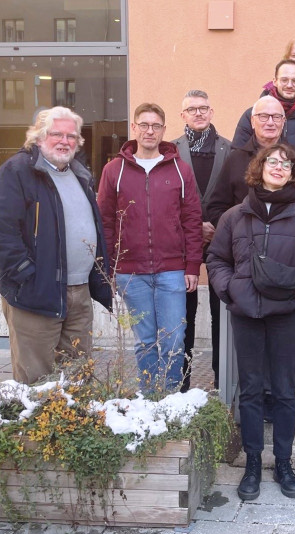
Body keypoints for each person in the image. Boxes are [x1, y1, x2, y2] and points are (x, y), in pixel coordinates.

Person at [207, 143, 295, 502]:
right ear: (259, 167)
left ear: (294, 173)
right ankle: (251, 462)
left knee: (283, 391)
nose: (278, 167)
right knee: (249, 391)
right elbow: (216, 258)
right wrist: (228, 289)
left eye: (286, 163)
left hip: (285, 315)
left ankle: (283, 462)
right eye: (272, 161)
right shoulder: (235, 216)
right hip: (246, 314)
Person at [0, 106, 112, 385]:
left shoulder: (79, 174)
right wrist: (27, 274)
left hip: (78, 292)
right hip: (35, 293)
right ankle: (33, 430)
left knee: (78, 378)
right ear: (38, 137)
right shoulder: (16, 172)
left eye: (72, 136)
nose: (65, 141)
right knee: (37, 381)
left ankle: (75, 428)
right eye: (57, 134)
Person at [97, 102, 202, 393]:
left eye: (156, 125)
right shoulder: (114, 171)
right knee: (144, 341)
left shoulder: (180, 170)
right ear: (134, 128)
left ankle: (169, 400)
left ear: (164, 130)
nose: (149, 131)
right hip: (131, 274)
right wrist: (111, 267)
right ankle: (148, 398)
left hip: (172, 271)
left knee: (174, 340)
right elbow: (104, 221)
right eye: (144, 125)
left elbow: (192, 220)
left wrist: (192, 266)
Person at [172, 89, 231, 391]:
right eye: (192, 109)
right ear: (182, 115)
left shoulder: (229, 149)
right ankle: (182, 383)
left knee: (221, 314)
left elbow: (236, 198)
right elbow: (166, 203)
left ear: (211, 112)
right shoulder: (169, 151)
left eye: (204, 108)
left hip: (222, 243)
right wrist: (196, 226)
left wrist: (217, 226)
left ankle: (222, 381)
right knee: (184, 315)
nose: (198, 113)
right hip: (183, 245)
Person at [205, 96, 285, 225]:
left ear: (283, 121)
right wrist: (236, 231)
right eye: (263, 116)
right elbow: (216, 208)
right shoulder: (235, 159)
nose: (270, 122)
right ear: (253, 121)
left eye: (276, 117)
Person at [231, 60, 295, 163]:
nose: (289, 85)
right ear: (274, 81)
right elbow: (237, 158)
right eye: (284, 80)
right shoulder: (252, 115)